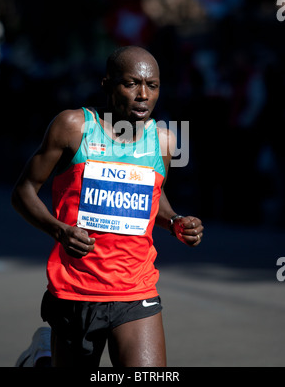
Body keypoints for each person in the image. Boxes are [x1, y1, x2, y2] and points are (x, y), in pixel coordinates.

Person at [11, 45, 204, 367]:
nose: (143, 94)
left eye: (152, 86)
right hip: (76, 288)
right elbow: (24, 191)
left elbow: (153, 195)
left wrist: (174, 221)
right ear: (107, 84)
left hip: (135, 288)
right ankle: (41, 357)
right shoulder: (74, 127)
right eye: (131, 84)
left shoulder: (164, 140)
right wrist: (59, 231)